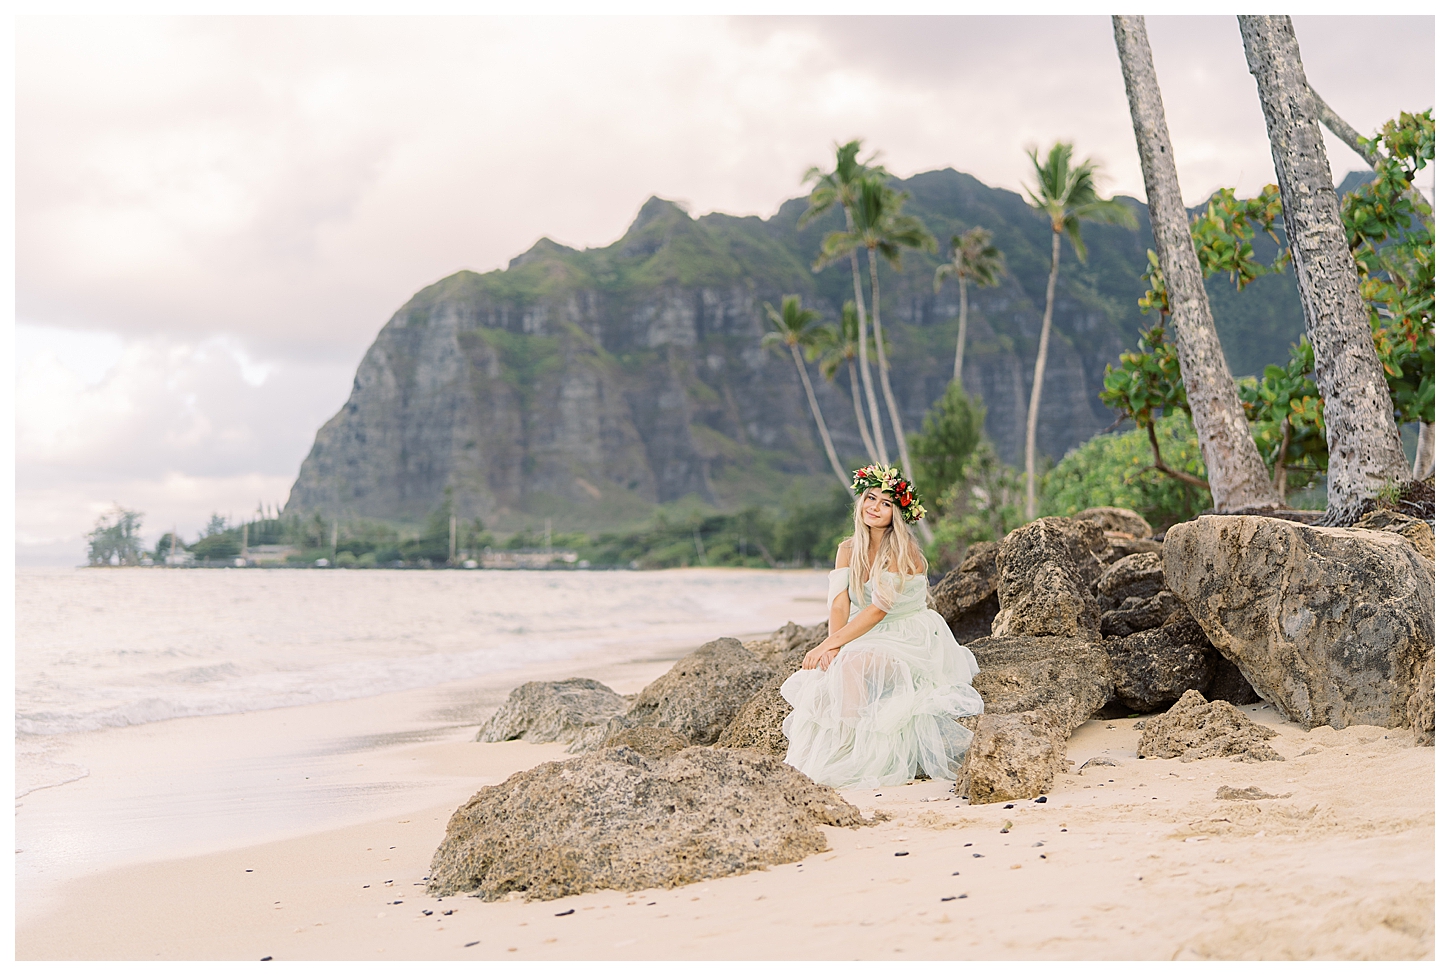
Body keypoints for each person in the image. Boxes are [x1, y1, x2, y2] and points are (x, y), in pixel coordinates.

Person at [780, 464, 984, 789]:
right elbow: (839, 603)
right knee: (832, 668)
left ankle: (854, 749)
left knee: (852, 662)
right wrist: (832, 644)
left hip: (910, 632)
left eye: (886, 503)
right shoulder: (848, 549)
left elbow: (877, 610)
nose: (875, 507)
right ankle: (844, 743)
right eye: (870, 498)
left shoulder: (902, 551)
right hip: (870, 631)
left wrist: (828, 646)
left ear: (897, 513)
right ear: (860, 501)